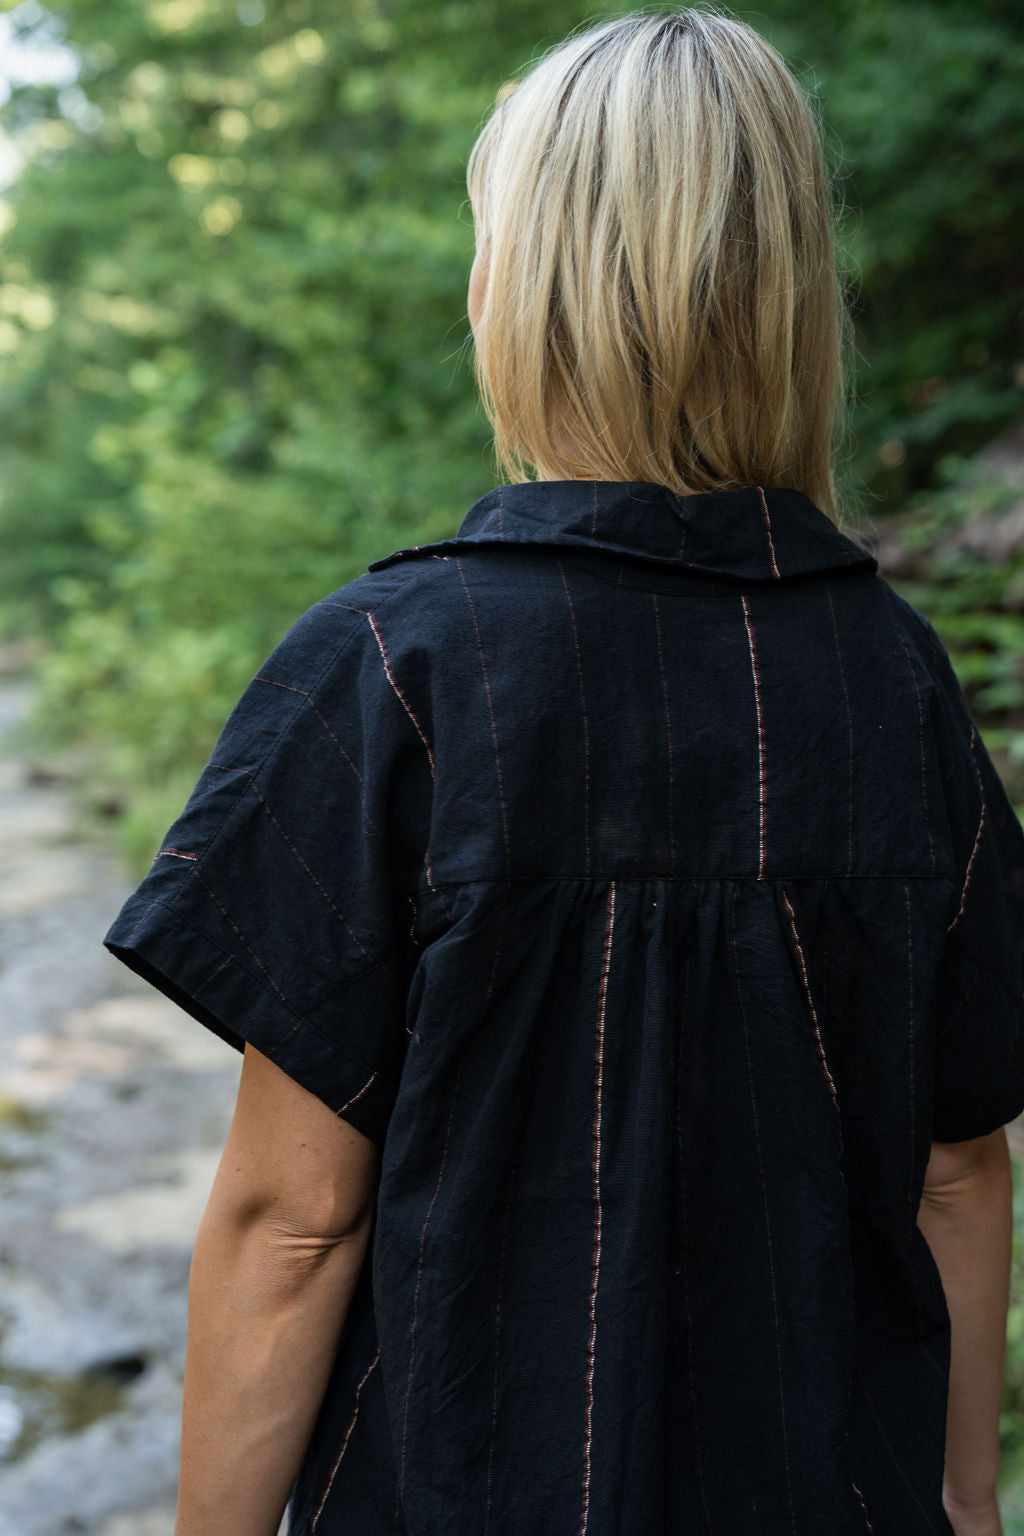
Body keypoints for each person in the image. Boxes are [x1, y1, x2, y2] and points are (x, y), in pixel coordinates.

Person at [102, 8, 1024, 1535]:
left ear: (515, 286)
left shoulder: (395, 669)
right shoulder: (893, 682)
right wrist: (964, 1507)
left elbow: (291, 1224)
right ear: (792, 296)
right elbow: (958, 1174)